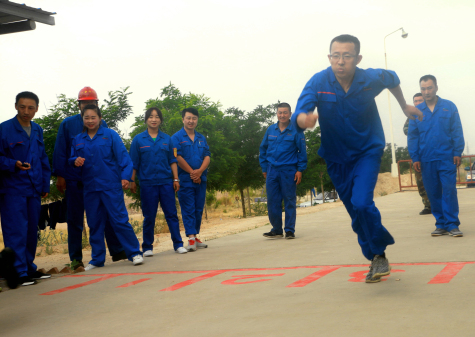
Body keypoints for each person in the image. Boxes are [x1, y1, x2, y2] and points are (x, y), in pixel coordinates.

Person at [291, 34, 423, 283]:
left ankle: (379, 254)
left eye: (347, 56)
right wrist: (304, 120)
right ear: (329, 57)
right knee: (355, 211)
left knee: (362, 202)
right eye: (335, 56)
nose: (340, 61)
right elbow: (301, 110)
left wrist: (404, 105)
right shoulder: (319, 81)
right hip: (336, 156)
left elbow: (392, 78)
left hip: (367, 150)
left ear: (357, 58)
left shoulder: (370, 78)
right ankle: (375, 256)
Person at [53, 87, 126, 270]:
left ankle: (117, 250)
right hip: (75, 181)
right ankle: (76, 258)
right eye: (85, 103)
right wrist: (60, 176)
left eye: (92, 103)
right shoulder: (68, 124)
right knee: (75, 220)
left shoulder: (103, 124)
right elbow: (61, 151)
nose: (88, 106)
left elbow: (110, 151)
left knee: (107, 215)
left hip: (99, 180)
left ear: (97, 105)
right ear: (79, 105)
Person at [69, 105, 143, 270]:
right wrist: (75, 161)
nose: (90, 121)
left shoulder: (110, 135)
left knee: (119, 220)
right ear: (83, 119)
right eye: (86, 118)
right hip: (90, 187)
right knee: (94, 223)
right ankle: (97, 259)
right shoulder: (78, 139)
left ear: (100, 118)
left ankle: (134, 252)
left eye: (93, 117)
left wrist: (125, 177)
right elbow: (72, 158)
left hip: (110, 186)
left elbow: (124, 158)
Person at [0, 92, 52, 286]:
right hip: (12, 189)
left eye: (31, 108)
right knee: (16, 230)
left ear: (36, 109)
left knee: (31, 230)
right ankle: (17, 271)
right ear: (15, 106)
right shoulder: (4, 129)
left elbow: (42, 158)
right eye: (22, 107)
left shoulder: (37, 130)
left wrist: (45, 183)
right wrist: (13, 164)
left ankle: (29, 267)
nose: (26, 111)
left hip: (33, 188)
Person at [408, 75, 464, 237]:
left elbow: (456, 130)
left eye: (429, 88)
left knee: (449, 190)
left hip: (447, 158)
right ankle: (440, 224)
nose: (426, 92)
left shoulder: (449, 107)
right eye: (423, 89)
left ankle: (452, 224)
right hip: (426, 160)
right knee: (433, 192)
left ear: (436, 88)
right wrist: (415, 157)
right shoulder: (416, 112)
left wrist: (457, 152)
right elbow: (413, 136)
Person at [129, 107, 187, 255]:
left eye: (156, 117)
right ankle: (147, 247)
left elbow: (172, 160)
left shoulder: (167, 139)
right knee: (149, 216)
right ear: (146, 119)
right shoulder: (138, 139)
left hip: (166, 182)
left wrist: (176, 179)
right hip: (147, 183)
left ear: (160, 120)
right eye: (150, 116)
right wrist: (132, 180)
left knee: (171, 214)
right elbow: (134, 162)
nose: (153, 119)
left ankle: (178, 244)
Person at [259, 102, 307, 239]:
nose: (282, 115)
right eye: (280, 112)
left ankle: (290, 230)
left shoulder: (296, 131)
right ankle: (276, 229)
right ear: (277, 114)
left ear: (290, 114)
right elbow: (263, 149)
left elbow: (302, 152)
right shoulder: (270, 130)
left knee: (289, 200)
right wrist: (264, 167)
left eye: (285, 112)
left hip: (289, 170)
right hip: (272, 170)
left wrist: (300, 170)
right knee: (273, 201)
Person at [171, 108, 210, 251]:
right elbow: (177, 157)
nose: (191, 121)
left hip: (201, 179)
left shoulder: (201, 138)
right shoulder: (176, 137)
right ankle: (191, 238)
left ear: (197, 120)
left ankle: (196, 235)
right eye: (188, 118)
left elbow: (207, 156)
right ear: (183, 119)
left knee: (198, 208)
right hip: (185, 179)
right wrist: (192, 172)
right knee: (188, 208)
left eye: (194, 118)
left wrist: (199, 172)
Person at [403, 93, 431, 215]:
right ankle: (427, 205)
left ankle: (441, 204)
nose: (417, 103)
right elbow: (406, 130)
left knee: (437, 180)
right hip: (418, 154)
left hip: (432, 151)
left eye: (420, 100)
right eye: (415, 101)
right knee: (420, 181)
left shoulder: (430, 112)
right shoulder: (411, 116)